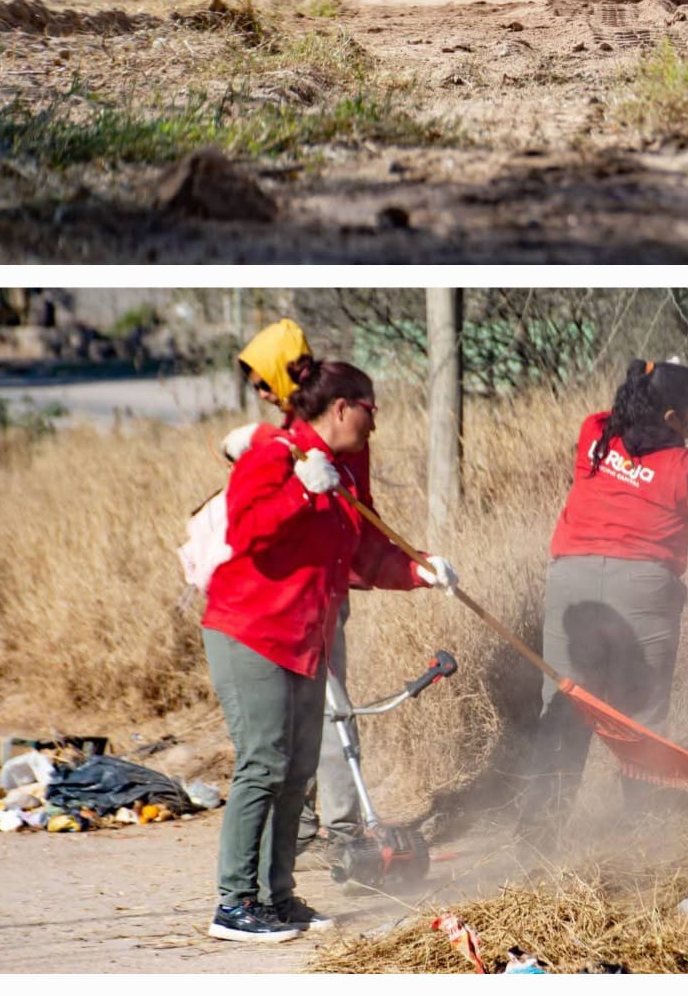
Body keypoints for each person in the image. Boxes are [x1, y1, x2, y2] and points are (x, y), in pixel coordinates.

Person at [202, 355, 458, 944]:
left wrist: (420, 572)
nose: (375, 422)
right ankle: (233, 903)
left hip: (304, 637)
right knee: (263, 765)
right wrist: (299, 490)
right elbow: (248, 532)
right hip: (250, 631)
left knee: (296, 771)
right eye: (370, 409)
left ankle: (277, 897)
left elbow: (361, 552)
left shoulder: (340, 467)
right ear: (341, 407)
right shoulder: (274, 453)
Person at [520, 360, 688, 829]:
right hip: (644, 590)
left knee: (564, 707)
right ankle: (643, 836)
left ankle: (537, 838)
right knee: (641, 717)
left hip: (571, 585)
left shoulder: (595, 435)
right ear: (673, 418)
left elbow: (615, 416)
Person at [223, 320, 365, 862]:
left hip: (322, 598)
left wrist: (413, 569)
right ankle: (296, 829)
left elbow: (354, 513)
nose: (261, 393)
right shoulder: (277, 437)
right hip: (275, 608)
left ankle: (345, 829)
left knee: (330, 713)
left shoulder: (338, 421)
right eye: (255, 386)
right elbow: (252, 528)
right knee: (277, 739)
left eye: (265, 382)